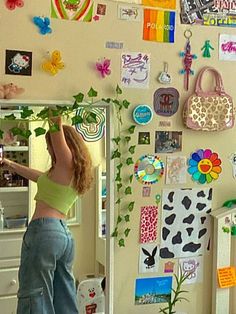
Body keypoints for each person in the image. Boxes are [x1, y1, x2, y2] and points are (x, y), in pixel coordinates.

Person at [0, 115, 93, 314]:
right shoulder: (67, 173)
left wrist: (53, 115)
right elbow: (38, 177)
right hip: (63, 236)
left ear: (62, 146)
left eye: (49, 145)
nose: (48, 149)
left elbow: (55, 129)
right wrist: (10, 164)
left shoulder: (65, 162)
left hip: (44, 232)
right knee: (63, 294)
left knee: (34, 293)